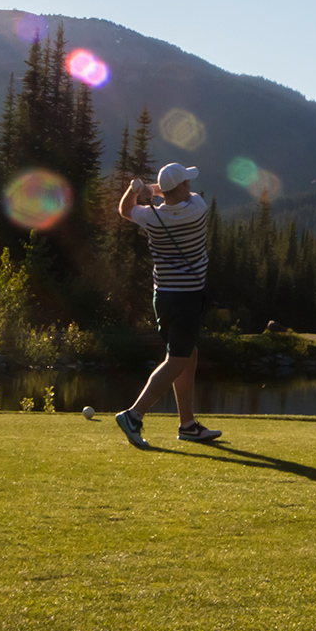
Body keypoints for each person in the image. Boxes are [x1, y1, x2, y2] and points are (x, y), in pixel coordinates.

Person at [112, 162, 222, 448]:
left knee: (187, 354)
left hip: (162, 297)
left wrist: (136, 190)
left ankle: (187, 425)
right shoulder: (198, 209)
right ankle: (134, 415)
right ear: (184, 187)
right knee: (177, 359)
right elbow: (177, 194)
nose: (189, 186)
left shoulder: (150, 218)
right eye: (186, 181)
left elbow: (125, 210)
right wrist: (154, 188)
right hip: (188, 297)